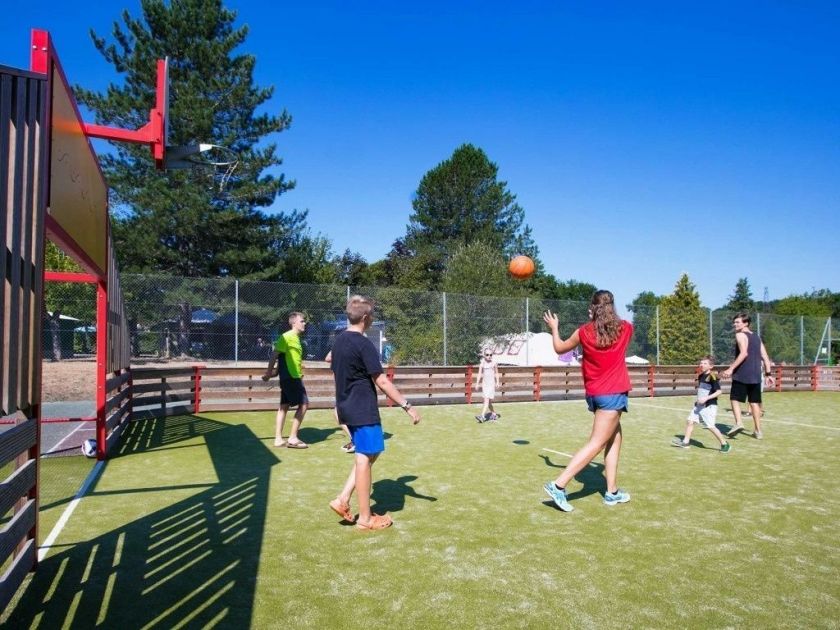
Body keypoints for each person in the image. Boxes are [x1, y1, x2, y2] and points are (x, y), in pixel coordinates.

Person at [328, 295, 421, 531]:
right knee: (364, 458)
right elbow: (381, 380)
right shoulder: (363, 343)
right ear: (366, 318)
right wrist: (407, 405)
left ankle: (342, 499)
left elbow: (336, 370)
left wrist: (339, 405)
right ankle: (365, 518)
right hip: (362, 408)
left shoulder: (338, 342)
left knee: (370, 453)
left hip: (347, 406)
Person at [542, 290, 634, 512]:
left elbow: (559, 347)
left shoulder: (583, 332)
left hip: (596, 394)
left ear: (592, 308)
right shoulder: (626, 328)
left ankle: (611, 492)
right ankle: (558, 485)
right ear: (612, 307)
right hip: (613, 394)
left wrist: (554, 328)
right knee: (597, 442)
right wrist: (599, 314)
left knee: (615, 438)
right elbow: (613, 327)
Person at [722, 313, 774, 439]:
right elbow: (765, 357)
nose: (735, 324)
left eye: (738, 322)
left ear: (746, 323)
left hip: (742, 373)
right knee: (754, 403)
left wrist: (730, 368)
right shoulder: (756, 337)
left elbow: (744, 353)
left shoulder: (740, 335)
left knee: (734, 399)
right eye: (734, 322)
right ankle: (758, 431)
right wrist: (768, 374)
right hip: (756, 375)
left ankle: (739, 423)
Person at [262, 312, 309, 448]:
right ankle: (293, 438)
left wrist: (274, 373)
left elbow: (282, 361)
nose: (304, 323)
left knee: (283, 407)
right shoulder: (286, 337)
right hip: (291, 379)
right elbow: (274, 355)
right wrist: (268, 372)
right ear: (294, 323)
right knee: (304, 404)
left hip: (291, 377)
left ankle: (278, 439)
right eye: (302, 321)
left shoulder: (297, 339)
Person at [671, 356, 731, 453]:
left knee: (710, 426)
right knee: (690, 421)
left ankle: (725, 444)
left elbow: (719, 392)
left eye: (705, 363)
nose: (701, 365)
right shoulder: (700, 376)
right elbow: (702, 391)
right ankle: (685, 442)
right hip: (698, 406)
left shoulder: (713, 376)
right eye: (701, 363)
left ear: (711, 366)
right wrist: (698, 401)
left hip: (709, 406)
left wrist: (706, 398)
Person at [325, 349, 355, 452]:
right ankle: (356, 440)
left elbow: (328, 358)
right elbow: (328, 359)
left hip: (345, 387)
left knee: (337, 414)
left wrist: (335, 348)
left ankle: (355, 440)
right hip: (346, 387)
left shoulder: (345, 352)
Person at [474, 348, 501, 422]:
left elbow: (496, 373)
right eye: (487, 355)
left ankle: (482, 416)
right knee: (488, 402)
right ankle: (494, 414)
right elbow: (479, 374)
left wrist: (498, 382)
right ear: (484, 355)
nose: (489, 356)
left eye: (490, 355)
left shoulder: (494, 363)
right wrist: (477, 383)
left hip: (491, 385)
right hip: (485, 384)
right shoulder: (482, 363)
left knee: (486, 400)